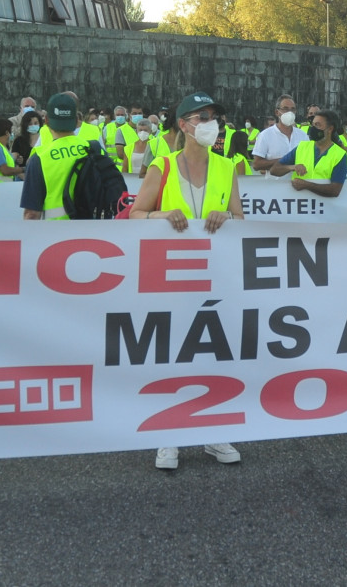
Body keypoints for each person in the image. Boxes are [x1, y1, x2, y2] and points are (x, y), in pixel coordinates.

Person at [129, 91, 244, 471]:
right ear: (183, 125)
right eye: (201, 116)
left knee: (213, 352)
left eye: (212, 116)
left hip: (216, 276)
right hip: (171, 275)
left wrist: (226, 218)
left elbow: (241, 221)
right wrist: (164, 214)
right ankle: (170, 434)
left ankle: (212, 431)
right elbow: (136, 215)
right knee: (173, 354)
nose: (209, 122)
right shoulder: (161, 165)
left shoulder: (227, 167)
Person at [20, 92, 95, 220]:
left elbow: (31, 214)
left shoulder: (40, 158)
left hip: (56, 234)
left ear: (47, 120)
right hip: (95, 232)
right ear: (76, 120)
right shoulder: (93, 148)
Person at [271, 109, 347, 197]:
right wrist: (292, 167)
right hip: (299, 205)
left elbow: (335, 190)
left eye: (317, 125)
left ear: (330, 129)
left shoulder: (339, 155)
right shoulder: (302, 147)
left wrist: (306, 185)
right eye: (313, 124)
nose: (313, 128)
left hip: (324, 208)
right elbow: (274, 170)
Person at [252, 94, 307, 173]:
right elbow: (256, 165)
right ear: (277, 112)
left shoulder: (303, 136)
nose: (290, 112)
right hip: (274, 184)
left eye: (293, 109)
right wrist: (285, 161)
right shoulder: (265, 135)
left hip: (298, 183)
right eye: (285, 109)